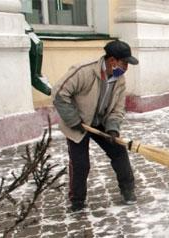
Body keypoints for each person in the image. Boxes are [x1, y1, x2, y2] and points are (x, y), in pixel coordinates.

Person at [52, 40, 139, 212]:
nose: (126, 67)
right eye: (124, 62)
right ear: (112, 60)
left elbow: (118, 108)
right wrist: (73, 120)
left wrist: (113, 128)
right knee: (80, 164)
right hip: (78, 123)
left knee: (119, 152)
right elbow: (58, 93)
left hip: (100, 123)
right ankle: (77, 200)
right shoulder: (84, 71)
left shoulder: (119, 80)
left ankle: (128, 191)